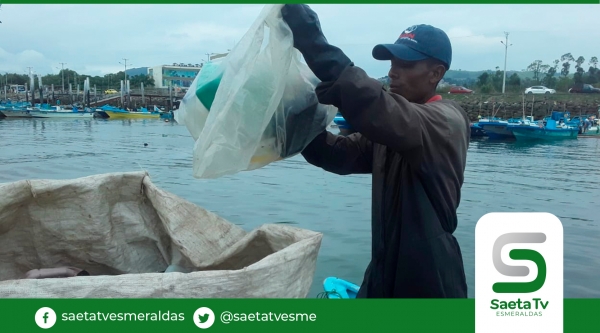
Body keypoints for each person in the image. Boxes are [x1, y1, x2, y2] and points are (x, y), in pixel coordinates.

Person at [281, 4, 470, 298]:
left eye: (406, 65)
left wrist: (311, 40)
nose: (393, 73)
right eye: (392, 63)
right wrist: (292, 117)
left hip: (429, 275)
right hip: (384, 264)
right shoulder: (392, 131)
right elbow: (338, 155)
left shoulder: (445, 121)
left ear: (436, 73)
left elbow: (373, 103)